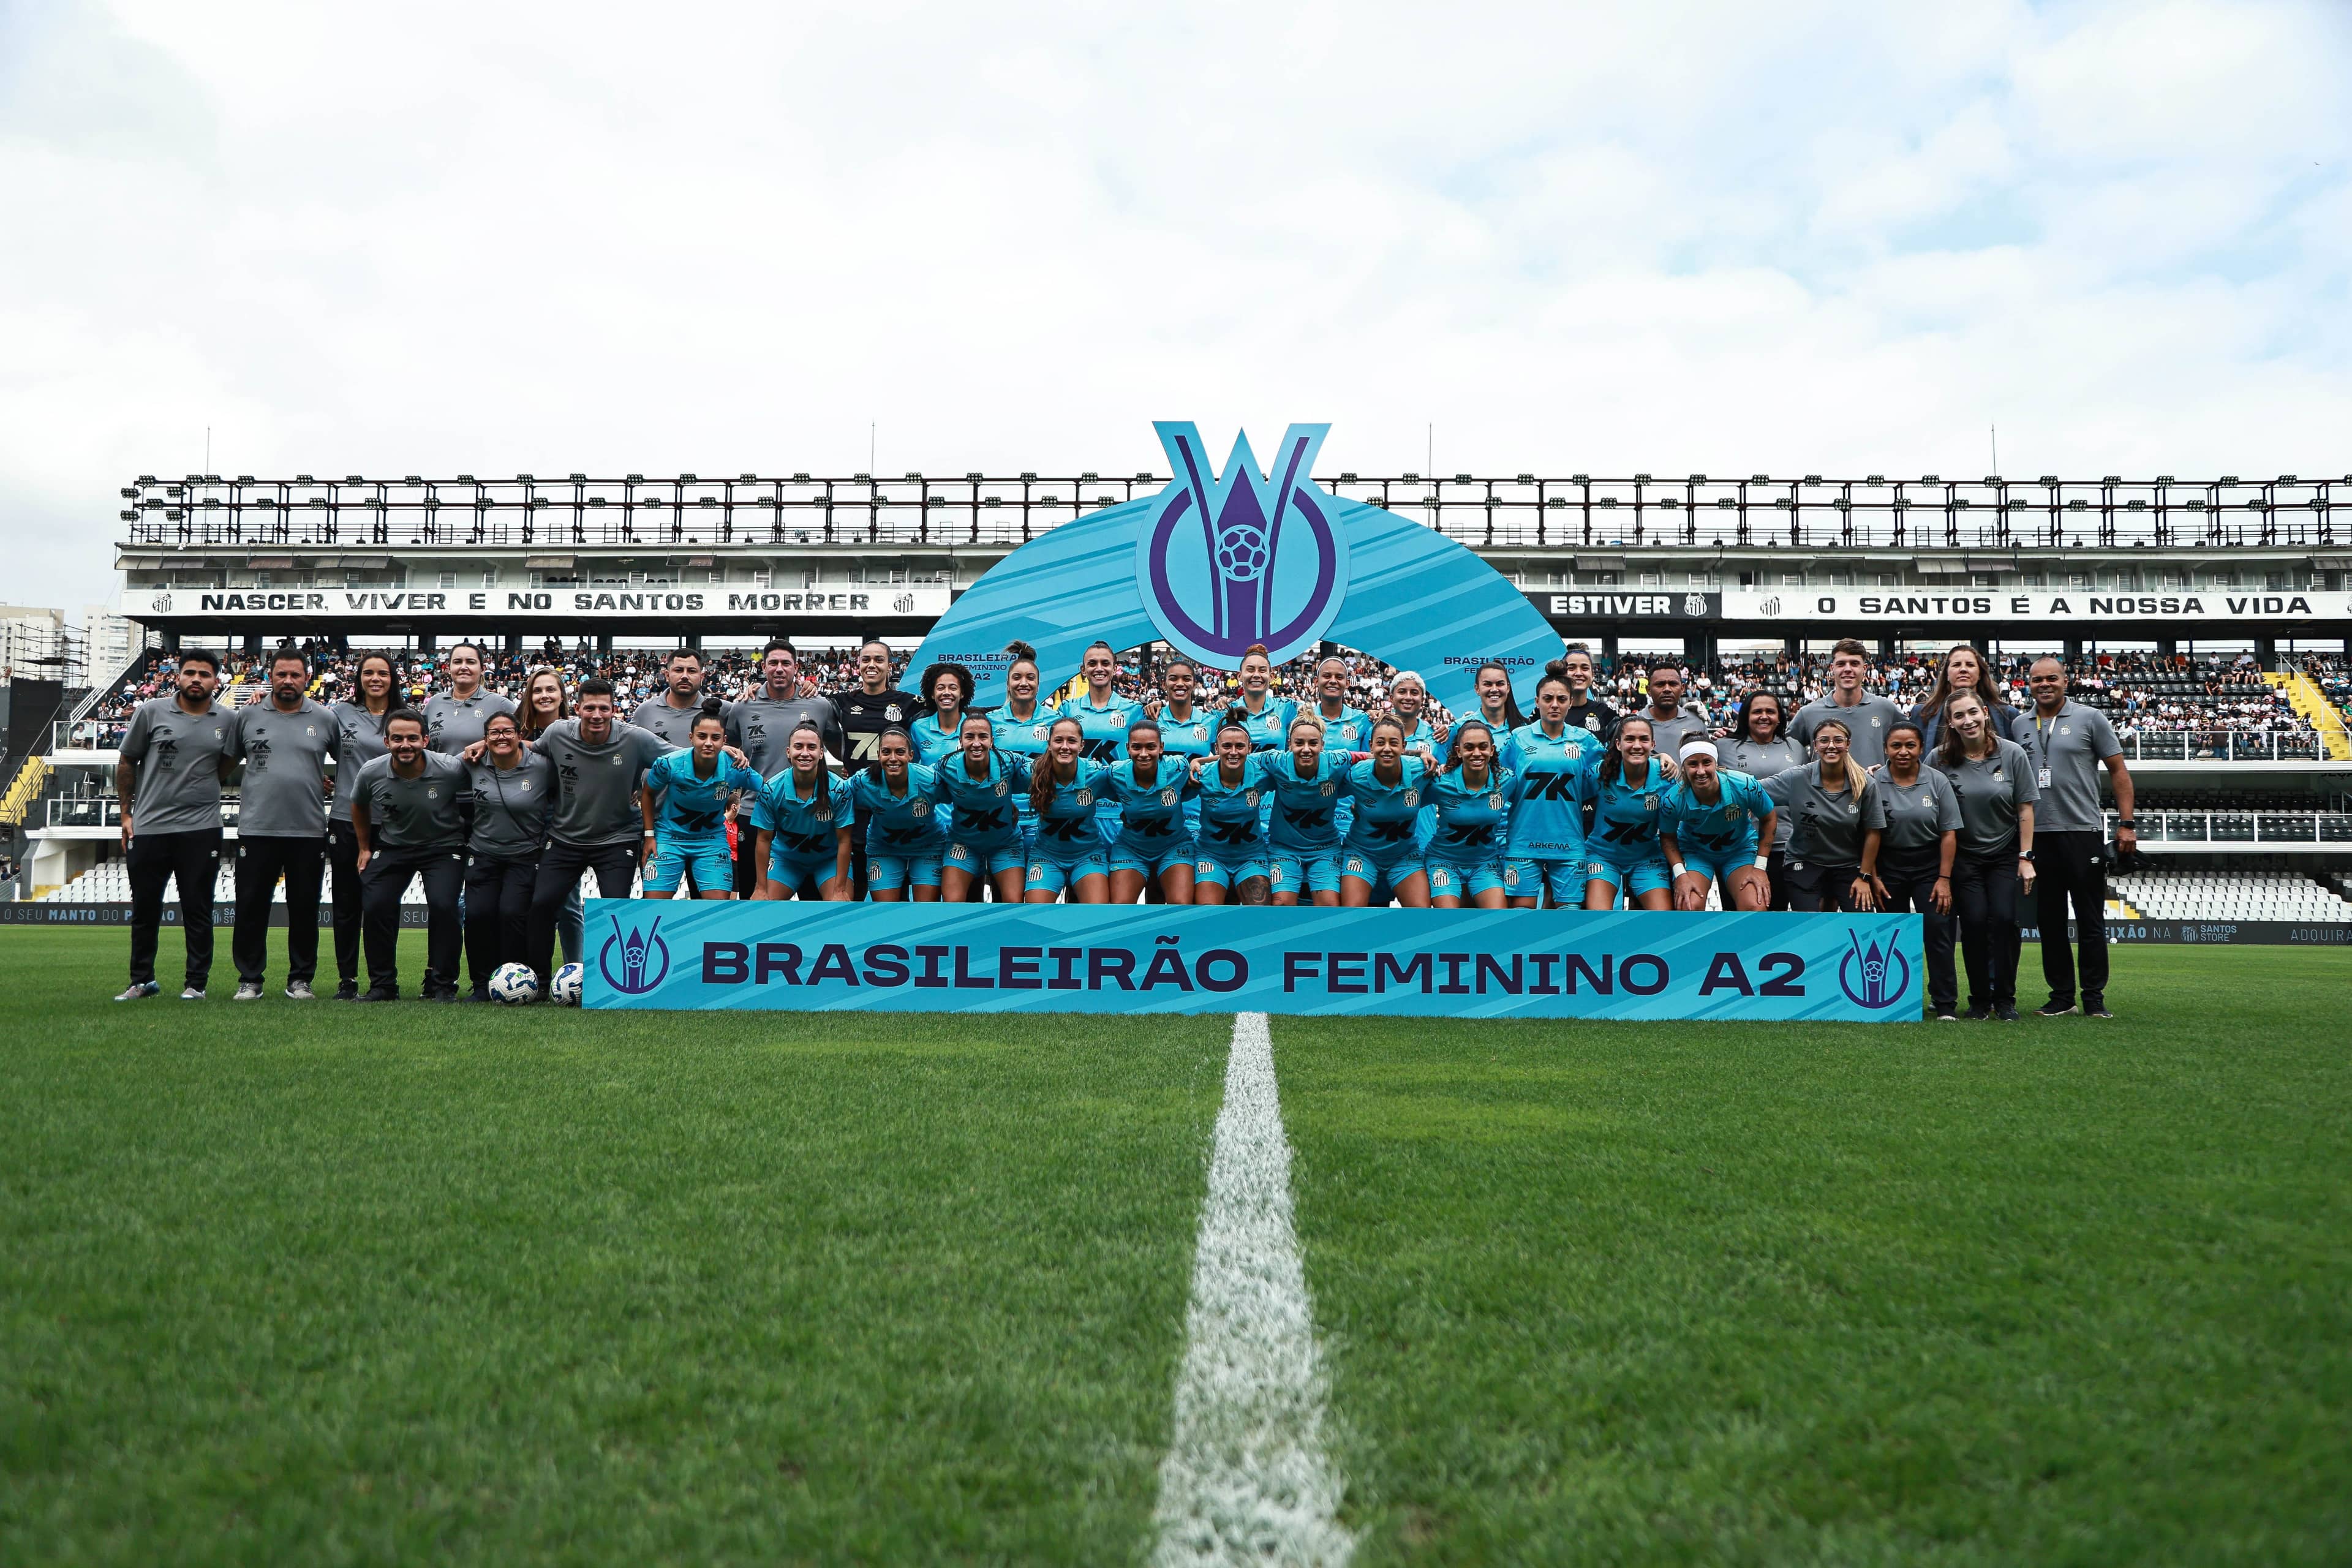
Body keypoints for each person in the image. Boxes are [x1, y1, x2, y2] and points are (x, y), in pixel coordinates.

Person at [524, 677, 677, 986]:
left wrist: (723, 748)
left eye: (604, 709)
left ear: (614, 709)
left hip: (617, 840)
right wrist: (486, 744)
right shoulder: (557, 734)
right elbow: (528, 750)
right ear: (577, 708)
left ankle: (608, 983)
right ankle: (537, 981)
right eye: (590, 708)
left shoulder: (635, 739)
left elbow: (680, 758)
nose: (596, 715)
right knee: (541, 905)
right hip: (565, 839)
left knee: (614, 909)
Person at [114, 647, 235, 1001]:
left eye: (205, 674)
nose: (196, 679)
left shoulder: (228, 720)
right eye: (190, 673)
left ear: (216, 681)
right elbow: (127, 762)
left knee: (198, 908)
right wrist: (126, 814)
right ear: (178, 676)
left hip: (202, 828)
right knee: (145, 908)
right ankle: (142, 981)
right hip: (150, 827)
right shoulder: (151, 712)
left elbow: (227, 764)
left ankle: (196, 984)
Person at [2017, 657, 2134, 1019]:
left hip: (2082, 833)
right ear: (2029, 684)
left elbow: (2119, 771)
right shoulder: (2019, 724)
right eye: (2037, 680)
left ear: (2065, 681)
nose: (2044, 685)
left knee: (2090, 920)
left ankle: (2094, 997)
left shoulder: (2090, 718)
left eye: (2052, 678)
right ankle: (2062, 997)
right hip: (2038, 837)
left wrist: (2127, 823)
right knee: (2049, 922)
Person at [228, 644, 336, 1001]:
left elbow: (350, 763)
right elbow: (224, 763)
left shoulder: (325, 718)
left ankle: (300, 979)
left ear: (307, 678)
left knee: (304, 908)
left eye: (295, 675)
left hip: (308, 829)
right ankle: (250, 979)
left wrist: (327, 781)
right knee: (251, 906)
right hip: (257, 828)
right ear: (270, 676)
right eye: (281, 674)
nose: (288, 680)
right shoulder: (247, 715)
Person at [349, 708, 467, 1001]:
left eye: (413, 738)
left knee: (444, 906)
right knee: (376, 905)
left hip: (443, 847)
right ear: (386, 742)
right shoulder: (371, 772)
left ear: (425, 740)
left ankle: (442, 984)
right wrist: (364, 847)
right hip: (394, 846)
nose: (405, 745)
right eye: (397, 738)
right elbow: (359, 804)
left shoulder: (451, 769)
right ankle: (383, 985)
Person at [1934, 692, 2038, 1022]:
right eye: (1959, 716)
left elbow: (2025, 808)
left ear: (1984, 712)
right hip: (1964, 857)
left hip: (2004, 855)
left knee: (2006, 921)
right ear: (1951, 722)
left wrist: (2025, 857)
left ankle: (2005, 999)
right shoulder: (1939, 758)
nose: (1968, 721)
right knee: (1975, 923)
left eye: (1972, 713)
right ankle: (1980, 1000)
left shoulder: (2012, 753)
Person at [728, 639, 844, 893]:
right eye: (773, 663)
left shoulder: (819, 705)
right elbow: (729, 750)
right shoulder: (743, 706)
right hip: (754, 811)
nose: (779, 669)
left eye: (785, 663)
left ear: (796, 668)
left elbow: (841, 749)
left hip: (808, 813)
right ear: (763, 667)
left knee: (812, 901)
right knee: (755, 895)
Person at [1870, 720, 1961, 1017]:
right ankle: (1894, 1000)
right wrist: (1873, 876)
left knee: (1937, 930)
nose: (1903, 752)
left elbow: (1949, 833)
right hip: (1888, 866)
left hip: (1930, 866)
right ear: (1886, 749)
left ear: (1921, 748)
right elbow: (1867, 834)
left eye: (1910, 745)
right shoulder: (1873, 783)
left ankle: (1944, 1003)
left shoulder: (1937, 781)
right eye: (1896, 746)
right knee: (1891, 934)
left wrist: (1944, 879)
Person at [325, 652, 401, 998]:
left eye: (382, 673)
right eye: (368, 673)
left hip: (393, 823)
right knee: (346, 905)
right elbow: (308, 744)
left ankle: (383, 981)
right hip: (346, 819)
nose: (375, 679)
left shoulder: (405, 717)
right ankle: (348, 980)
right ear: (358, 678)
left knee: (382, 907)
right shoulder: (339, 713)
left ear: (392, 678)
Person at [462, 710, 552, 998]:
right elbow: (438, 769)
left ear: (520, 735)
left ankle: (519, 981)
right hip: (482, 853)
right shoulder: (471, 763)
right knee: (477, 915)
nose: (502, 737)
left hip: (525, 855)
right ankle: (481, 985)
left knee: (512, 914)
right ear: (485, 738)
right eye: (494, 733)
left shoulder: (542, 766)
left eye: (508, 732)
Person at [640, 698, 763, 901]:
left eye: (715, 738)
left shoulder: (735, 767)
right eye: (702, 736)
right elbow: (647, 793)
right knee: (654, 906)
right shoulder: (668, 764)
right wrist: (649, 835)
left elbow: (767, 789)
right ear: (691, 738)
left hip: (711, 841)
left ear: (724, 741)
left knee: (716, 910)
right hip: (669, 838)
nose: (708, 743)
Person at [1763, 717, 1887, 913]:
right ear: (1815, 745)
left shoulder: (1865, 784)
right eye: (1824, 740)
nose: (1831, 746)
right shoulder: (1796, 778)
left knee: (1861, 921)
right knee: (1808, 924)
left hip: (1848, 865)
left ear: (1848, 744)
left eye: (1838, 740)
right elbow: (1754, 790)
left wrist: (1864, 877)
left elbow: (1873, 832)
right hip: (1804, 862)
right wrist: (1721, 778)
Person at [1500, 677, 1597, 908]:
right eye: (1548, 699)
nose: (1555, 704)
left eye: (1561, 699)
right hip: (1524, 843)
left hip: (1568, 843)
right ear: (1537, 701)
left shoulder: (1585, 740)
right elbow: (1498, 781)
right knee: (1521, 916)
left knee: (1569, 915)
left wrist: (1659, 758)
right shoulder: (1518, 738)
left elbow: (1613, 770)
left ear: (1570, 702)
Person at [514, 666, 584, 965]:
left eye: (551, 690)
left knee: (568, 905)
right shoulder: (515, 733)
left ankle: (575, 973)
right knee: (523, 903)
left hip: (566, 825)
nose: (544, 695)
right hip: (522, 825)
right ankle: (527, 973)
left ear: (562, 696)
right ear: (529, 696)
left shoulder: (577, 732)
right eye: (538, 690)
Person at [1660, 740, 1777, 913]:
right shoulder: (1672, 799)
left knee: (1755, 906)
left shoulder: (1745, 785)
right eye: (1693, 764)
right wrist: (1680, 874)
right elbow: (1667, 837)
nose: (1701, 771)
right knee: (1688, 906)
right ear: (1683, 767)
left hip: (1739, 851)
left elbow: (1769, 818)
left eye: (1707, 762)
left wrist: (1760, 867)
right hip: (1696, 853)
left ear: (1716, 763)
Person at [930, 712, 1031, 903]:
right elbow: (921, 783)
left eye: (983, 737)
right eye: (970, 737)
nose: (976, 743)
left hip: (1005, 843)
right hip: (963, 843)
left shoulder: (1008, 761)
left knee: (1014, 902)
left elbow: (1045, 770)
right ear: (960, 741)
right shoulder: (946, 765)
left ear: (992, 741)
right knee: (952, 903)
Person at [751, 720, 856, 901]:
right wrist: (760, 888)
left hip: (829, 860)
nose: (805, 753)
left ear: (821, 753)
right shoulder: (771, 790)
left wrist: (839, 890)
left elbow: (844, 840)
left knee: (839, 906)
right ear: (788, 752)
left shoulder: (839, 789)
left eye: (812, 747)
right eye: (799, 747)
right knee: (763, 905)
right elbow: (763, 839)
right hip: (786, 859)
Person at [1259, 713, 1354, 908]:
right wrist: (1199, 762)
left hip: (1325, 848)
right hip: (1284, 849)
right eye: (1299, 743)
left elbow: (1375, 757)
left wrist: (1415, 755)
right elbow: (1236, 757)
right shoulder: (1276, 761)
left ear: (1323, 745)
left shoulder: (1337, 761)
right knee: (1282, 906)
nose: (1306, 749)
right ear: (1289, 744)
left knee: (1329, 906)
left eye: (1313, 743)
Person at [1583, 716, 1675, 911]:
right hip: (1602, 855)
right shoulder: (1601, 773)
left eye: (1644, 739)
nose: (1637, 745)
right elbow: (1572, 798)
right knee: (1597, 916)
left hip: (1646, 857)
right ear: (1618, 744)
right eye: (1630, 739)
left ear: (1653, 744)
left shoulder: (1666, 776)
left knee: (1663, 917)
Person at [1058, 640, 1144, 846]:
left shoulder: (1134, 710)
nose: (1099, 669)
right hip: (1077, 809)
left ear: (1115, 669)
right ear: (1083, 670)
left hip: (1119, 811)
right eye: (1092, 663)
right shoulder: (1068, 708)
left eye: (1105, 663)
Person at [1104, 718, 1198, 905]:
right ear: (1128, 748)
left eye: (1151, 747)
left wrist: (1198, 761)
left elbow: (1219, 762)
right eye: (1137, 747)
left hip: (1174, 846)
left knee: (1180, 905)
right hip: (1131, 848)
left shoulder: (1178, 767)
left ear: (1161, 748)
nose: (1143, 754)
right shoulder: (1115, 773)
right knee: (1120, 907)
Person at [1728, 689, 1807, 911]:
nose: (1764, 716)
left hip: (1787, 845)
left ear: (1780, 717)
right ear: (1746, 716)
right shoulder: (1724, 746)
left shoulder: (1796, 747)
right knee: (1744, 913)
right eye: (1757, 712)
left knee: (1778, 912)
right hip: (1741, 847)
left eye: (1770, 712)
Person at [1339, 716, 1430, 908]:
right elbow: (1326, 788)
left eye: (1394, 743)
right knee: (1351, 912)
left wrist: (1422, 754)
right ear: (1371, 746)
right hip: (1361, 854)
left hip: (1404, 856)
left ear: (1404, 747)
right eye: (1380, 743)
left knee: (1422, 914)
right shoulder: (1356, 775)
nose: (1387, 748)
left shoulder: (1422, 770)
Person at [1021, 715, 1114, 903]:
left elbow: (1128, 786)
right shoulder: (1032, 773)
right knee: (1033, 912)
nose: (1065, 747)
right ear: (1049, 744)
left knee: (1098, 911)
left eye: (1072, 741)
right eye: (1058, 740)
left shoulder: (1097, 774)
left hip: (1087, 855)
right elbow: (1002, 779)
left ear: (1082, 746)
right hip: (1046, 856)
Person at [849, 728, 943, 902]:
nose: (893, 758)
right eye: (886, 752)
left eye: (900, 752)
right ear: (878, 755)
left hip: (928, 846)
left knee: (927, 909)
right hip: (884, 848)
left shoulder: (930, 780)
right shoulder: (864, 781)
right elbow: (836, 797)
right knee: (884, 909)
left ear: (911, 755)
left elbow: (961, 793)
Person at [1426, 719, 1510, 909]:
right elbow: (1407, 800)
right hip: (1443, 862)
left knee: (1498, 917)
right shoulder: (1441, 782)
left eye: (1483, 747)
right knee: (1449, 917)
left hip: (1485, 863)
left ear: (1492, 749)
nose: (1477, 753)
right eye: (1469, 747)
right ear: (1458, 751)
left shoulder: (1507, 780)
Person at [1188, 722, 1273, 907]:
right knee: (1207, 913)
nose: (1233, 752)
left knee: (1260, 913)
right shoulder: (1200, 777)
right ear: (1216, 748)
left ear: (1250, 748)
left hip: (1251, 856)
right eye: (1227, 746)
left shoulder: (1263, 775)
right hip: (1211, 856)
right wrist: (1197, 762)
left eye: (1240, 746)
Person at [1788, 638, 1906, 769]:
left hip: (1875, 784)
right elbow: (1785, 751)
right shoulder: (1808, 713)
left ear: (1864, 669)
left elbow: (1913, 744)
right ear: (1832, 668)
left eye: (1855, 664)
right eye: (1841, 664)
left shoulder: (1886, 709)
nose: (1848, 669)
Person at [989, 642, 1055, 856]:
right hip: (1002, 818)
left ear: (1038, 684)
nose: (1023, 683)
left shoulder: (1056, 721)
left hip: (1043, 818)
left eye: (1030, 678)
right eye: (1017, 678)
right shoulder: (991, 722)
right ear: (1008, 684)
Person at [1912, 643, 2018, 752]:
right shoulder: (1921, 713)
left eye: (1970, 665)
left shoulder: (2008, 714)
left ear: (1980, 674)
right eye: (1956, 665)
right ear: (1946, 673)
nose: (1963, 669)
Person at [422, 641, 516, 755]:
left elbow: (526, 743)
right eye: (457, 662)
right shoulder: (434, 703)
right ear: (449, 668)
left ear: (482, 669)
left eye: (471, 662)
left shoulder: (501, 704)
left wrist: (487, 743)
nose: (463, 667)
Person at [628, 647, 725, 747]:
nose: (685, 676)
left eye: (692, 671)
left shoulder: (722, 709)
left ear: (702, 677)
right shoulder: (645, 711)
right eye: (678, 670)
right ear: (667, 675)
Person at [1635, 660, 1713, 761]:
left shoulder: (1697, 723)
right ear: (1648, 690)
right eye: (1660, 684)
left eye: (1673, 684)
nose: (1667, 689)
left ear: (1683, 689)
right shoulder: (1634, 724)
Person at [1225, 644, 1296, 752]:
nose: (1256, 675)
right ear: (1240, 676)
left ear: (1271, 677)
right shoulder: (1227, 712)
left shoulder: (1287, 707)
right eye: (1250, 670)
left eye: (1262, 670)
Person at [911, 660, 974, 767]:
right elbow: (912, 767)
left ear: (962, 694)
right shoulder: (918, 728)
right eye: (940, 688)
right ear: (932, 694)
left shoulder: (974, 726)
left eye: (953, 688)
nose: (947, 693)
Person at [1556, 643, 1618, 740]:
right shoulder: (1547, 711)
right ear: (1563, 674)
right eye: (1571, 668)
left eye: (1585, 668)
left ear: (1593, 675)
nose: (1578, 673)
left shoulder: (1604, 712)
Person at [1471, 660, 1528, 736]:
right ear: (1477, 689)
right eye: (1488, 684)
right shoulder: (1460, 726)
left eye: (1500, 684)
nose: (1494, 689)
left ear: (1508, 688)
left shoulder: (1525, 728)